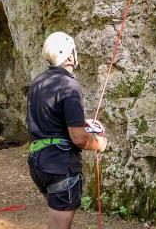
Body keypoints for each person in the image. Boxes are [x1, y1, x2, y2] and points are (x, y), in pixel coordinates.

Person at [27, 32, 108, 229]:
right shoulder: (69, 85)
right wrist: (100, 143)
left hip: (39, 162)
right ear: (69, 56)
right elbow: (79, 138)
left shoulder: (38, 82)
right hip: (60, 165)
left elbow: (48, 118)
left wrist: (82, 121)